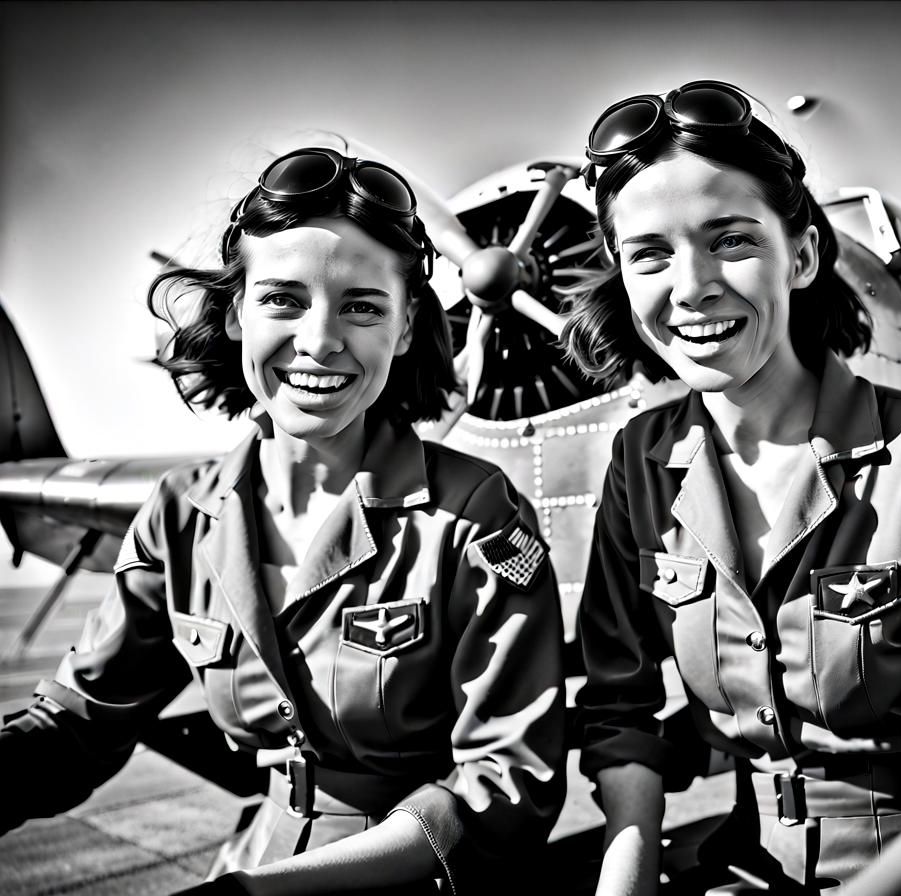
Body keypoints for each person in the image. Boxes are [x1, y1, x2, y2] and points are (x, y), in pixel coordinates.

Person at [0, 145, 567, 894]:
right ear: (236, 314)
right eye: (282, 299)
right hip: (255, 853)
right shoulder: (180, 513)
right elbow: (80, 722)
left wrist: (262, 893)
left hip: (412, 875)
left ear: (404, 329)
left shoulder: (474, 516)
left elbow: (505, 785)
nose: (320, 339)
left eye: (362, 306)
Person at [563, 80, 901, 895]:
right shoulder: (640, 462)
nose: (690, 287)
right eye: (649, 254)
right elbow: (620, 712)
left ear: (801, 256)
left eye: (731, 240)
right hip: (743, 868)